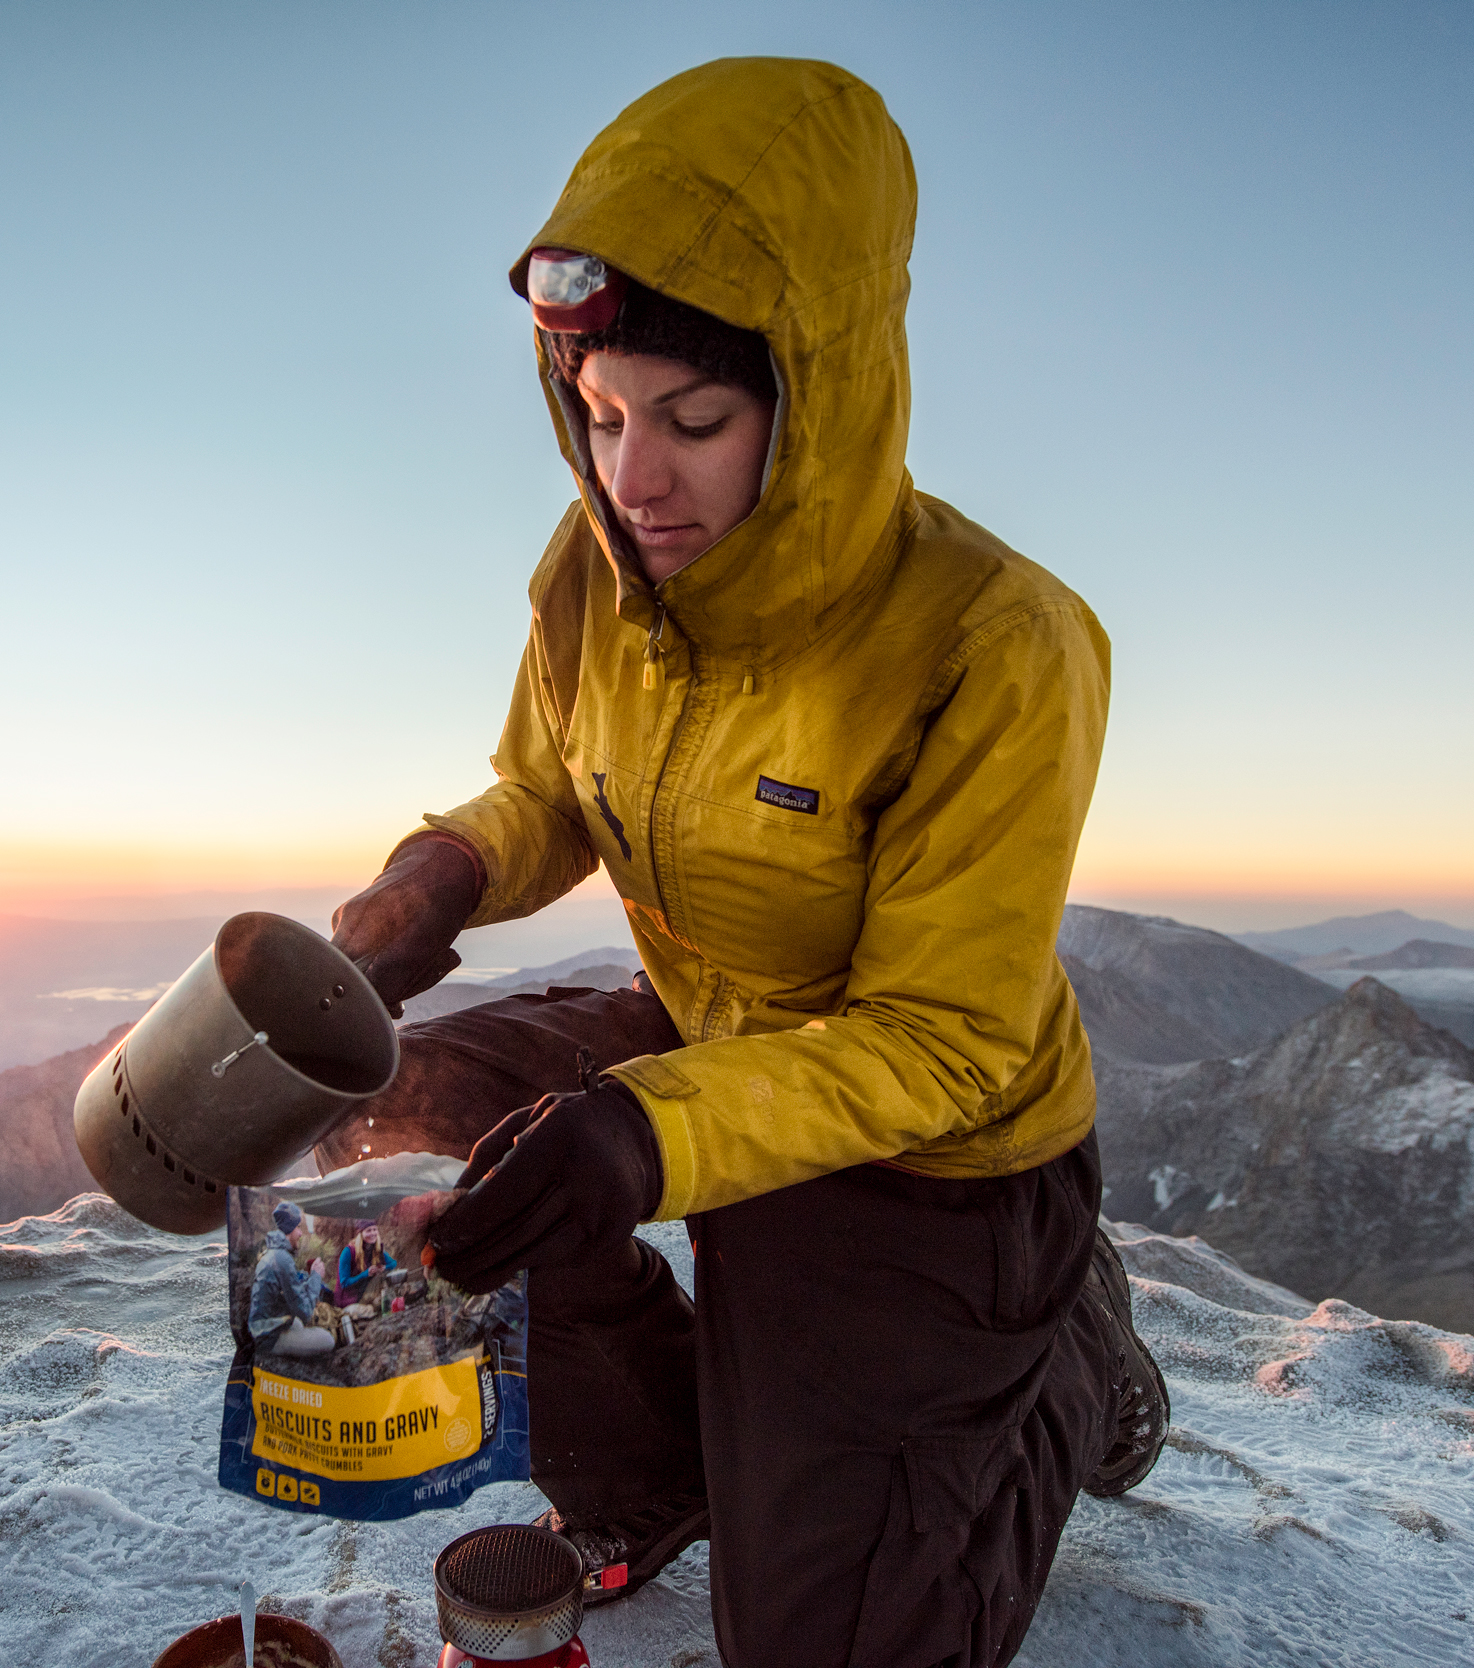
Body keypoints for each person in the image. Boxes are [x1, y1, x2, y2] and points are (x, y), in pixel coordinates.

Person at [320, 58, 1167, 1667]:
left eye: (695, 421)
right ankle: (656, 1471)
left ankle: (1059, 1374)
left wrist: (643, 1137)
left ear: (819, 391)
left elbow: (944, 1040)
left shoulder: (997, 642)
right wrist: (437, 877)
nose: (635, 479)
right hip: (723, 1040)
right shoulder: (595, 567)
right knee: (413, 1107)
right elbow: (548, 791)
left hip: (937, 1146)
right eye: (603, 413)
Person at [246, 1200, 334, 1358]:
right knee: (328, 1339)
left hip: (263, 1328)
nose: (300, 1233)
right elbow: (305, 1312)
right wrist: (316, 1276)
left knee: (297, 1324)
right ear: (289, 1229)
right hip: (268, 1338)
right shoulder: (283, 1260)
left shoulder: (272, 1253)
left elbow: (294, 1298)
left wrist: (307, 1280)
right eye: (298, 1227)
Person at [335, 1222, 399, 1307]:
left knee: (385, 1274)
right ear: (360, 1234)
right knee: (379, 1278)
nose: (372, 1233)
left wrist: (384, 1267)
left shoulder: (376, 1248)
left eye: (374, 1229)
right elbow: (344, 1283)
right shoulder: (348, 1252)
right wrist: (365, 1274)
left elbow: (393, 1263)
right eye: (368, 1230)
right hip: (349, 1300)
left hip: (366, 1291)